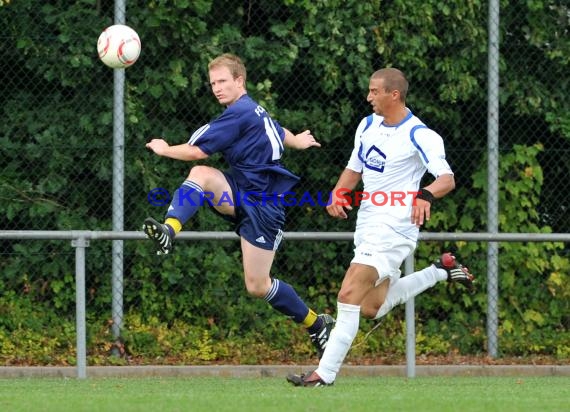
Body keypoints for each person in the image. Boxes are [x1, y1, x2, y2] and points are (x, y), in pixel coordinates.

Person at [287, 67, 475, 387]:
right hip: (368, 223)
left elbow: (447, 178)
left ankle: (324, 373)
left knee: (348, 293)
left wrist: (425, 195)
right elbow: (354, 167)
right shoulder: (367, 124)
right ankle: (440, 271)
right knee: (371, 307)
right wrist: (337, 193)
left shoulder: (420, 134)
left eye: (374, 91)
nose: (368, 97)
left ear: (394, 95)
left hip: (395, 227)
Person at [142, 53, 334, 358]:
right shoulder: (252, 109)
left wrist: (164, 150)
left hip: (265, 206)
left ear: (239, 81)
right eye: (213, 83)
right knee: (202, 176)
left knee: (257, 286)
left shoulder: (239, 113)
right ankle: (169, 230)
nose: (217, 88)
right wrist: (296, 140)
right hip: (242, 191)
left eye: (222, 81)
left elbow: (195, 151)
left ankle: (316, 322)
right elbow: (276, 129)